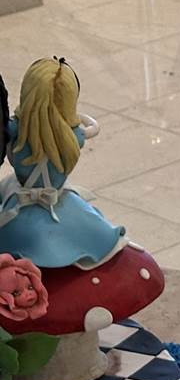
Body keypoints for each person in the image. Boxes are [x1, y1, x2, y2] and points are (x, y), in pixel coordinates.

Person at [1, 58, 126, 270]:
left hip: (19, 202)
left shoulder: (15, 130)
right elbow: (90, 128)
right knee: (91, 232)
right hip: (59, 202)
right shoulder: (74, 136)